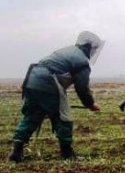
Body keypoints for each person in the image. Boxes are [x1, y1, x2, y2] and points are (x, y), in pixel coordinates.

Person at [9, 31, 104, 162]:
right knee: (63, 117)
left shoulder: (68, 51)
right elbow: (82, 88)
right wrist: (91, 104)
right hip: (48, 82)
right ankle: (67, 153)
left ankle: (16, 152)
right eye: (93, 49)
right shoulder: (81, 61)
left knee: (31, 115)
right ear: (88, 46)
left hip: (32, 79)